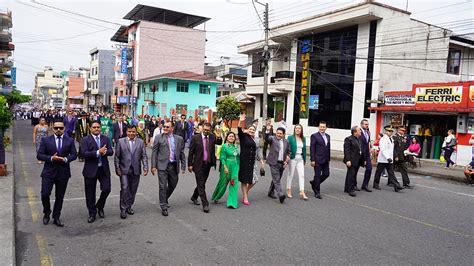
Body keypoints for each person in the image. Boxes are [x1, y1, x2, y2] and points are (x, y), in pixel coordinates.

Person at [36, 120, 77, 227]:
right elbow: (39, 155)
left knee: (60, 196)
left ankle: (56, 216)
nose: (58, 130)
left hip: (63, 172)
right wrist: (51, 158)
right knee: (45, 193)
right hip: (48, 171)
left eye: (61, 128)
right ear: (52, 129)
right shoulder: (46, 140)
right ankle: (47, 211)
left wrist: (65, 159)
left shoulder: (70, 140)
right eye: (56, 128)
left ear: (64, 129)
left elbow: (74, 155)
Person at [81, 121, 114, 223]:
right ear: (90, 128)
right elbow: (84, 153)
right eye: (94, 127)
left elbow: (111, 151)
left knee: (106, 189)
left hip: (103, 169)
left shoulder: (105, 138)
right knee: (90, 193)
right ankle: (92, 213)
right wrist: (97, 152)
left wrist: (104, 152)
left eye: (98, 127)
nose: (96, 129)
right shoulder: (85, 140)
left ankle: (100, 205)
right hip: (90, 169)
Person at [151, 121, 186, 217]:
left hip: (174, 166)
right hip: (162, 166)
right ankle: (163, 206)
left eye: (167, 127)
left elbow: (181, 153)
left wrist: (183, 165)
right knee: (162, 186)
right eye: (164, 127)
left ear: (172, 128)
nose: (165, 128)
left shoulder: (179, 139)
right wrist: (153, 166)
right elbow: (154, 152)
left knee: (173, 184)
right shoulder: (159, 137)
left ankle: (165, 197)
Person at [114, 125, 148, 219]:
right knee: (125, 188)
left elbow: (144, 155)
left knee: (133, 190)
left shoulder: (140, 142)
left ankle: (129, 206)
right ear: (126, 132)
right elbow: (117, 156)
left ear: (136, 132)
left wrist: (145, 167)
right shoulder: (121, 142)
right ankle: (123, 209)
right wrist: (117, 169)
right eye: (129, 131)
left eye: (133, 132)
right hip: (124, 170)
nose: (131, 133)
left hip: (136, 169)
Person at [188, 122, 222, 213]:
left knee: (202, 183)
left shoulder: (212, 136)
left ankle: (194, 196)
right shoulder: (195, 138)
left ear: (210, 130)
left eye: (208, 130)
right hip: (198, 164)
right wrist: (190, 164)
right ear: (202, 128)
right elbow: (191, 152)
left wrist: (218, 136)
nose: (206, 131)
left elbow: (219, 143)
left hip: (208, 164)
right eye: (205, 129)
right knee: (201, 184)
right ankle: (205, 204)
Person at [238, 114, 264, 205]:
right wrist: (241, 121)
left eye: (253, 130)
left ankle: (246, 192)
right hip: (244, 162)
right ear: (247, 130)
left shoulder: (255, 140)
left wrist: (261, 160)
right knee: (244, 180)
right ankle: (245, 196)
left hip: (253, 162)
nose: (252, 130)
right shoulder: (243, 137)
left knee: (255, 179)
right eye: (250, 129)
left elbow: (258, 150)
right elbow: (239, 129)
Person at [211, 132, 240, 208]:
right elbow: (222, 157)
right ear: (227, 137)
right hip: (226, 166)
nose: (231, 137)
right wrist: (225, 167)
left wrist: (239, 166)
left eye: (233, 136)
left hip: (235, 167)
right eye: (230, 136)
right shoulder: (224, 146)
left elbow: (238, 157)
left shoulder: (236, 146)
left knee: (234, 183)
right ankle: (216, 196)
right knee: (223, 183)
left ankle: (232, 202)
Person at [373, 126, 404, 192]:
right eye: (389, 131)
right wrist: (388, 157)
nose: (390, 132)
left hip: (389, 160)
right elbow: (383, 149)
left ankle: (397, 186)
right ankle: (375, 184)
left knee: (391, 173)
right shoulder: (383, 139)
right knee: (378, 172)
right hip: (383, 159)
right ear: (386, 131)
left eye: (391, 131)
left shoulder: (391, 139)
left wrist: (392, 157)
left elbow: (392, 150)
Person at [265, 127, 291, 204]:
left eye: (280, 133)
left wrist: (287, 159)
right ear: (275, 133)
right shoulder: (272, 139)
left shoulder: (286, 142)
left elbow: (289, 152)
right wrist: (267, 130)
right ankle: (281, 195)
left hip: (282, 163)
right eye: (277, 133)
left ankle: (270, 192)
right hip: (273, 162)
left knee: (276, 178)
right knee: (276, 179)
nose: (278, 135)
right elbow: (267, 139)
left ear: (283, 134)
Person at [310, 121, 331, 199]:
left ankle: (314, 183)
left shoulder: (328, 136)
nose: (322, 128)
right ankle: (317, 192)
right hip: (317, 159)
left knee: (326, 174)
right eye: (321, 127)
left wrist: (328, 158)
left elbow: (328, 148)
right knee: (318, 176)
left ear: (326, 128)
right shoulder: (314, 136)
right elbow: (312, 148)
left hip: (325, 160)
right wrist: (312, 160)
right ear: (318, 127)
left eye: (324, 127)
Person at [286, 124, 308, 200]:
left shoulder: (303, 138)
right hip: (293, 158)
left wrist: (304, 159)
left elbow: (304, 150)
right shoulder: (290, 138)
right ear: (294, 129)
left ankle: (302, 191)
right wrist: (287, 157)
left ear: (301, 130)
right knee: (290, 174)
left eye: (299, 128)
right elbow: (287, 147)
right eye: (296, 128)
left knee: (302, 175)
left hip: (300, 159)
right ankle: (288, 190)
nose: (298, 130)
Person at [343, 126, 364, 197]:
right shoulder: (349, 139)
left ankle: (347, 188)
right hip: (351, 160)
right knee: (352, 175)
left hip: (357, 160)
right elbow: (347, 150)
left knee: (351, 174)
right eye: (359, 130)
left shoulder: (358, 139)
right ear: (355, 132)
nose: (360, 132)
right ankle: (351, 190)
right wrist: (348, 160)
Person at [359, 119, 372, 192]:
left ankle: (365, 185)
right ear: (361, 125)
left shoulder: (368, 132)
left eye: (367, 124)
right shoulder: (359, 132)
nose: (367, 125)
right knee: (355, 170)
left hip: (366, 154)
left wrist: (369, 150)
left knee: (369, 169)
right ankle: (353, 184)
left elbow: (368, 142)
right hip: (360, 154)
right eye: (365, 124)